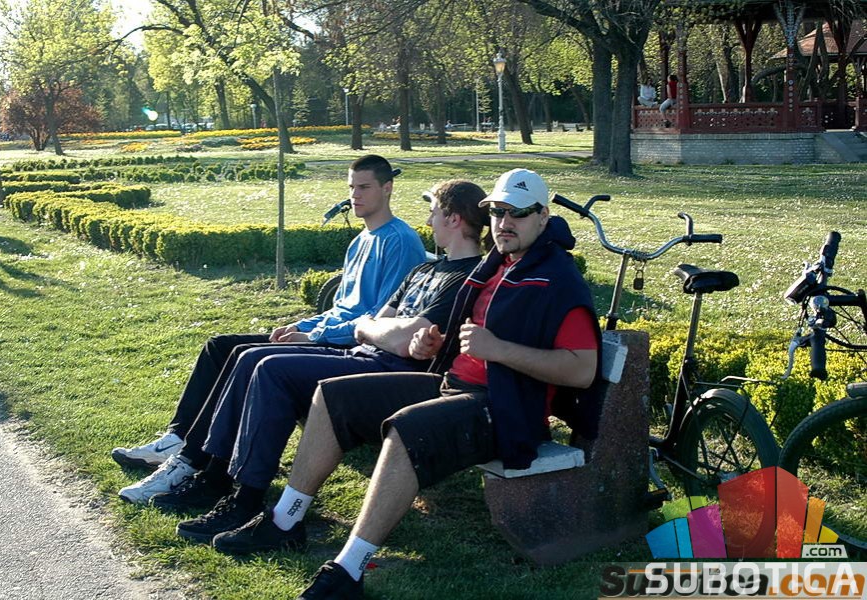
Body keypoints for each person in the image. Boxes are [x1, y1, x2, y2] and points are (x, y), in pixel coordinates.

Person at [214, 168, 601, 599]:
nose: (504, 223)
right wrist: (431, 343)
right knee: (332, 395)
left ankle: (348, 570)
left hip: (506, 409)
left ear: (543, 216)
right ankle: (285, 521)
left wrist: (499, 350)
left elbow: (582, 370)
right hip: (453, 383)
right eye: (497, 212)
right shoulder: (500, 264)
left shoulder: (558, 279)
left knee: (407, 429)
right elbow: (469, 336)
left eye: (519, 213)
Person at [117, 180, 489, 509]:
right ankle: (202, 469)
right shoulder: (424, 270)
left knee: (269, 367)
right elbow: (374, 322)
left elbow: (403, 338)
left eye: (433, 211)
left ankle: (233, 490)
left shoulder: (465, 278)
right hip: (363, 353)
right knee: (246, 355)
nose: (428, 220)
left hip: (387, 370)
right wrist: (373, 328)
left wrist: (374, 328)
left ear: (454, 219)